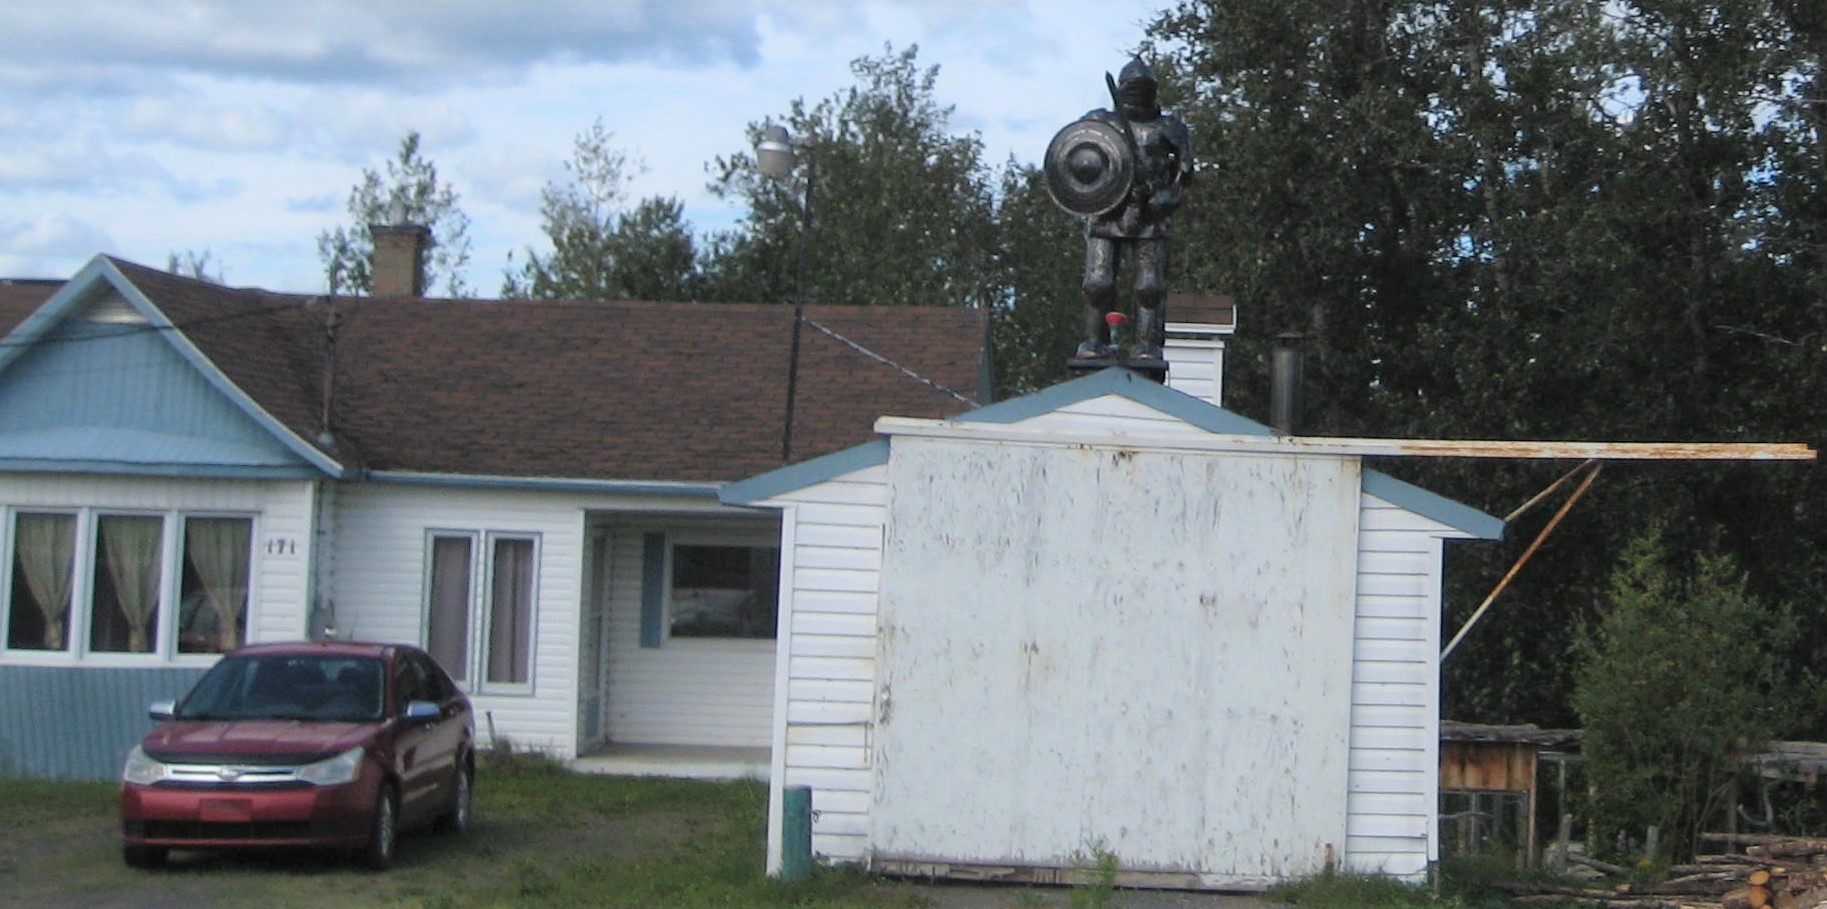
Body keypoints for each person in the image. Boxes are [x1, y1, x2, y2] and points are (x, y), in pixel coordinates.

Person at [1076, 57, 1194, 363]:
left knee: (1149, 286)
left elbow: (1185, 174)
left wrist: (1164, 200)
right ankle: (1093, 340)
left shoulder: (1170, 128)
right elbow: (1079, 160)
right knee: (1097, 282)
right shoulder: (1101, 122)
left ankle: (1147, 342)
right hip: (1107, 210)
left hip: (1151, 213)